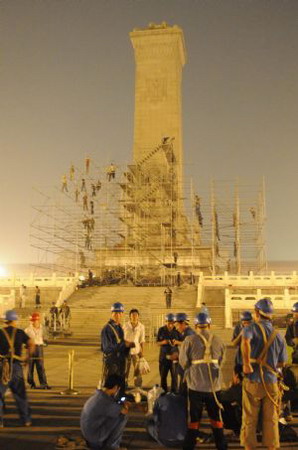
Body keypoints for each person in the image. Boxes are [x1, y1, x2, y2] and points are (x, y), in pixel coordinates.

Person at [241, 298, 287, 450]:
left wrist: (247, 363)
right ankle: (272, 447)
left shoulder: (250, 328)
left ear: (256, 313)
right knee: (271, 419)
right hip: (271, 381)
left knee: (250, 418)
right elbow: (282, 363)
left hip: (253, 380)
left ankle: (249, 446)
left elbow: (245, 342)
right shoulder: (278, 335)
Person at [179, 312, 227, 450]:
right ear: (209, 325)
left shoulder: (189, 340)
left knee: (194, 420)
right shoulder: (219, 340)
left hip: (195, 386)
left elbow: (183, 363)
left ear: (195, 325)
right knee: (216, 419)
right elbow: (222, 362)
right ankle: (221, 446)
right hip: (214, 387)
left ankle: (189, 446)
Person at [0, 310, 35, 427]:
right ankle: (26, 420)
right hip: (16, 367)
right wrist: (27, 357)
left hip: (3, 368)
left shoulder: (0, 332)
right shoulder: (20, 333)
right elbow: (31, 343)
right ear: (14, 320)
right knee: (20, 395)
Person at [80, 374, 129, 450]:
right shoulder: (106, 401)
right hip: (94, 439)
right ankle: (112, 445)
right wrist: (125, 406)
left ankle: (109, 442)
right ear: (116, 387)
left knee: (115, 415)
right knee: (123, 416)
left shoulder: (98, 395)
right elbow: (124, 411)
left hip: (88, 434)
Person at [101, 303, 135, 395]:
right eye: (115, 313)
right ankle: (109, 406)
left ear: (123, 314)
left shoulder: (119, 327)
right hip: (112, 362)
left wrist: (128, 346)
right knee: (111, 387)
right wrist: (124, 345)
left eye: (120, 313)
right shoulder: (107, 329)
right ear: (111, 313)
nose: (118, 315)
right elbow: (107, 347)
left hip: (120, 361)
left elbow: (121, 343)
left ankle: (120, 402)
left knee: (121, 386)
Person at [24, 312, 50, 390]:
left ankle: (44, 384)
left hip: (39, 348)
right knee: (30, 367)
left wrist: (45, 341)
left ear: (38, 320)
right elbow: (25, 340)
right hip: (31, 348)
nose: (34, 322)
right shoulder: (27, 330)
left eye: (35, 320)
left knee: (40, 366)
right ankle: (31, 383)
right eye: (33, 321)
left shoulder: (43, 328)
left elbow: (46, 337)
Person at [156, 313, 180, 393]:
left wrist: (176, 342)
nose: (170, 325)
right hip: (164, 357)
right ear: (165, 322)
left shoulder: (177, 331)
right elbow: (157, 343)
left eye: (172, 323)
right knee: (163, 377)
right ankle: (163, 393)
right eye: (169, 323)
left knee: (174, 377)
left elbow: (181, 342)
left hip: (174, 358)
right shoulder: (161, 330)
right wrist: (164, 342)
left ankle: (175, 393)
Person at [123, 309, 145, 387]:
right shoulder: (125, 325)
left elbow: (142, 340)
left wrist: (142, 354)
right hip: (126, 351)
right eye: (132, 315)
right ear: (130, 316)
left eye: (136, 315)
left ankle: (138, 385)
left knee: (137, 370)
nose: (134, 317)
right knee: (125, 369)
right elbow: (122, 338)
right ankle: (124, 384)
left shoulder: (141, 326)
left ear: (138, 316)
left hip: (136, 351)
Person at [174, 313, 195, 394]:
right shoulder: (185, 332)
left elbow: (188, 345)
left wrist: (177, 342)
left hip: (187, 367)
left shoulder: (189, 333)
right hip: (185, 366)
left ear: (183, 323)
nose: (176, 327)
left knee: (184, 390)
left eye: (177, 325)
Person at [231, 310, 253, 376]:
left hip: (252, 360)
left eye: (248, 323)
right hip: (240, 360)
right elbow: (233, 343)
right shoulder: (238, 328)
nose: (246, 325)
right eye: (244, 323)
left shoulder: (254, 328)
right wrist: (240, 335)